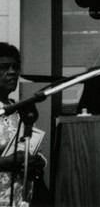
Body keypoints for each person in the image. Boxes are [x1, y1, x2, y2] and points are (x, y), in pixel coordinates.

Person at [0, 43, 46, 207]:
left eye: (16, 66)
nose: (13, 72)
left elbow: (34, 150)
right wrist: (6, 162)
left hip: (22, 200)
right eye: (4, 67)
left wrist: (38, 162)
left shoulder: (22, 112)